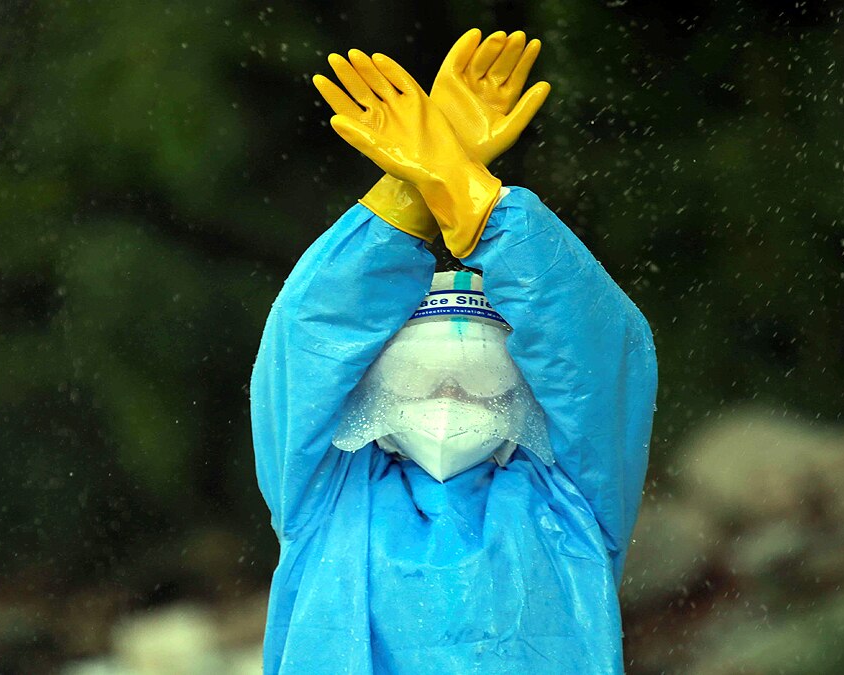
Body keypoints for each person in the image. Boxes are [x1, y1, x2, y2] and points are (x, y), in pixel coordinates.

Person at [250, 29, 658, 674]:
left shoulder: (572, 502)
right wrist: (416, 190)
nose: (447, 405)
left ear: (526, 391)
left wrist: (465, 192)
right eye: (417, 382)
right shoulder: (327, 494)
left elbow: (595, 347)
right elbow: (308, 336)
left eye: (478, 383)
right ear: (369, 388)